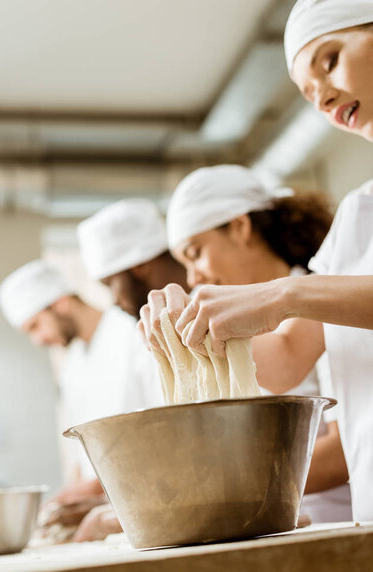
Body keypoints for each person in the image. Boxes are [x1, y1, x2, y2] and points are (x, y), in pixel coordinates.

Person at [139, 0, 373, 522]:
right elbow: (289, 357)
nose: (323, 97)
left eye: (329, 60)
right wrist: (191, 329)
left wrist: (281, 295)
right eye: (307, 93)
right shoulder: (358, 216)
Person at [141, 164, 351, 522]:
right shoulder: (258, 318)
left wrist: (227, 487)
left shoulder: (324, 291)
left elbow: (345, 447)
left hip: (338, 519)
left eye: (195, 253)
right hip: (269, 521)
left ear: (240, 226)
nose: (193, 277)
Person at [0, 259, 159, 542]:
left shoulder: (132, 335)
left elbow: (161, 431)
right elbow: (79, 454)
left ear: (60, 303)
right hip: (107, 507)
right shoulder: (73, 364)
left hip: (149, 501)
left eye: (36, 325)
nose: (38, 340)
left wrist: (90, 490)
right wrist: (69, 497)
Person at [73, 198, 189, 541]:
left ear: (139, 265)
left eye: (110, 283)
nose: (112, 300)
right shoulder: (152, 327)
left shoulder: (213, 312)